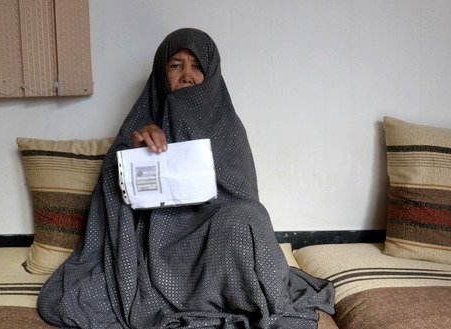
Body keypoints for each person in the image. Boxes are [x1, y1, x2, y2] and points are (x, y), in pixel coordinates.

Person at [38, 28, 334, 328]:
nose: (187, 76)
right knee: (70, 300)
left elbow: (242, 200)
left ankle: (246, 298)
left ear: (211, 74)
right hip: (156, 248)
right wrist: (138, 157)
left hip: (214, 244)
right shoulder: (142, 126)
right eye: (176, 65)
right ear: (161, 74)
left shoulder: (228, 128)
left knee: (248, 218)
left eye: (197, 67)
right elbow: (114, 201)